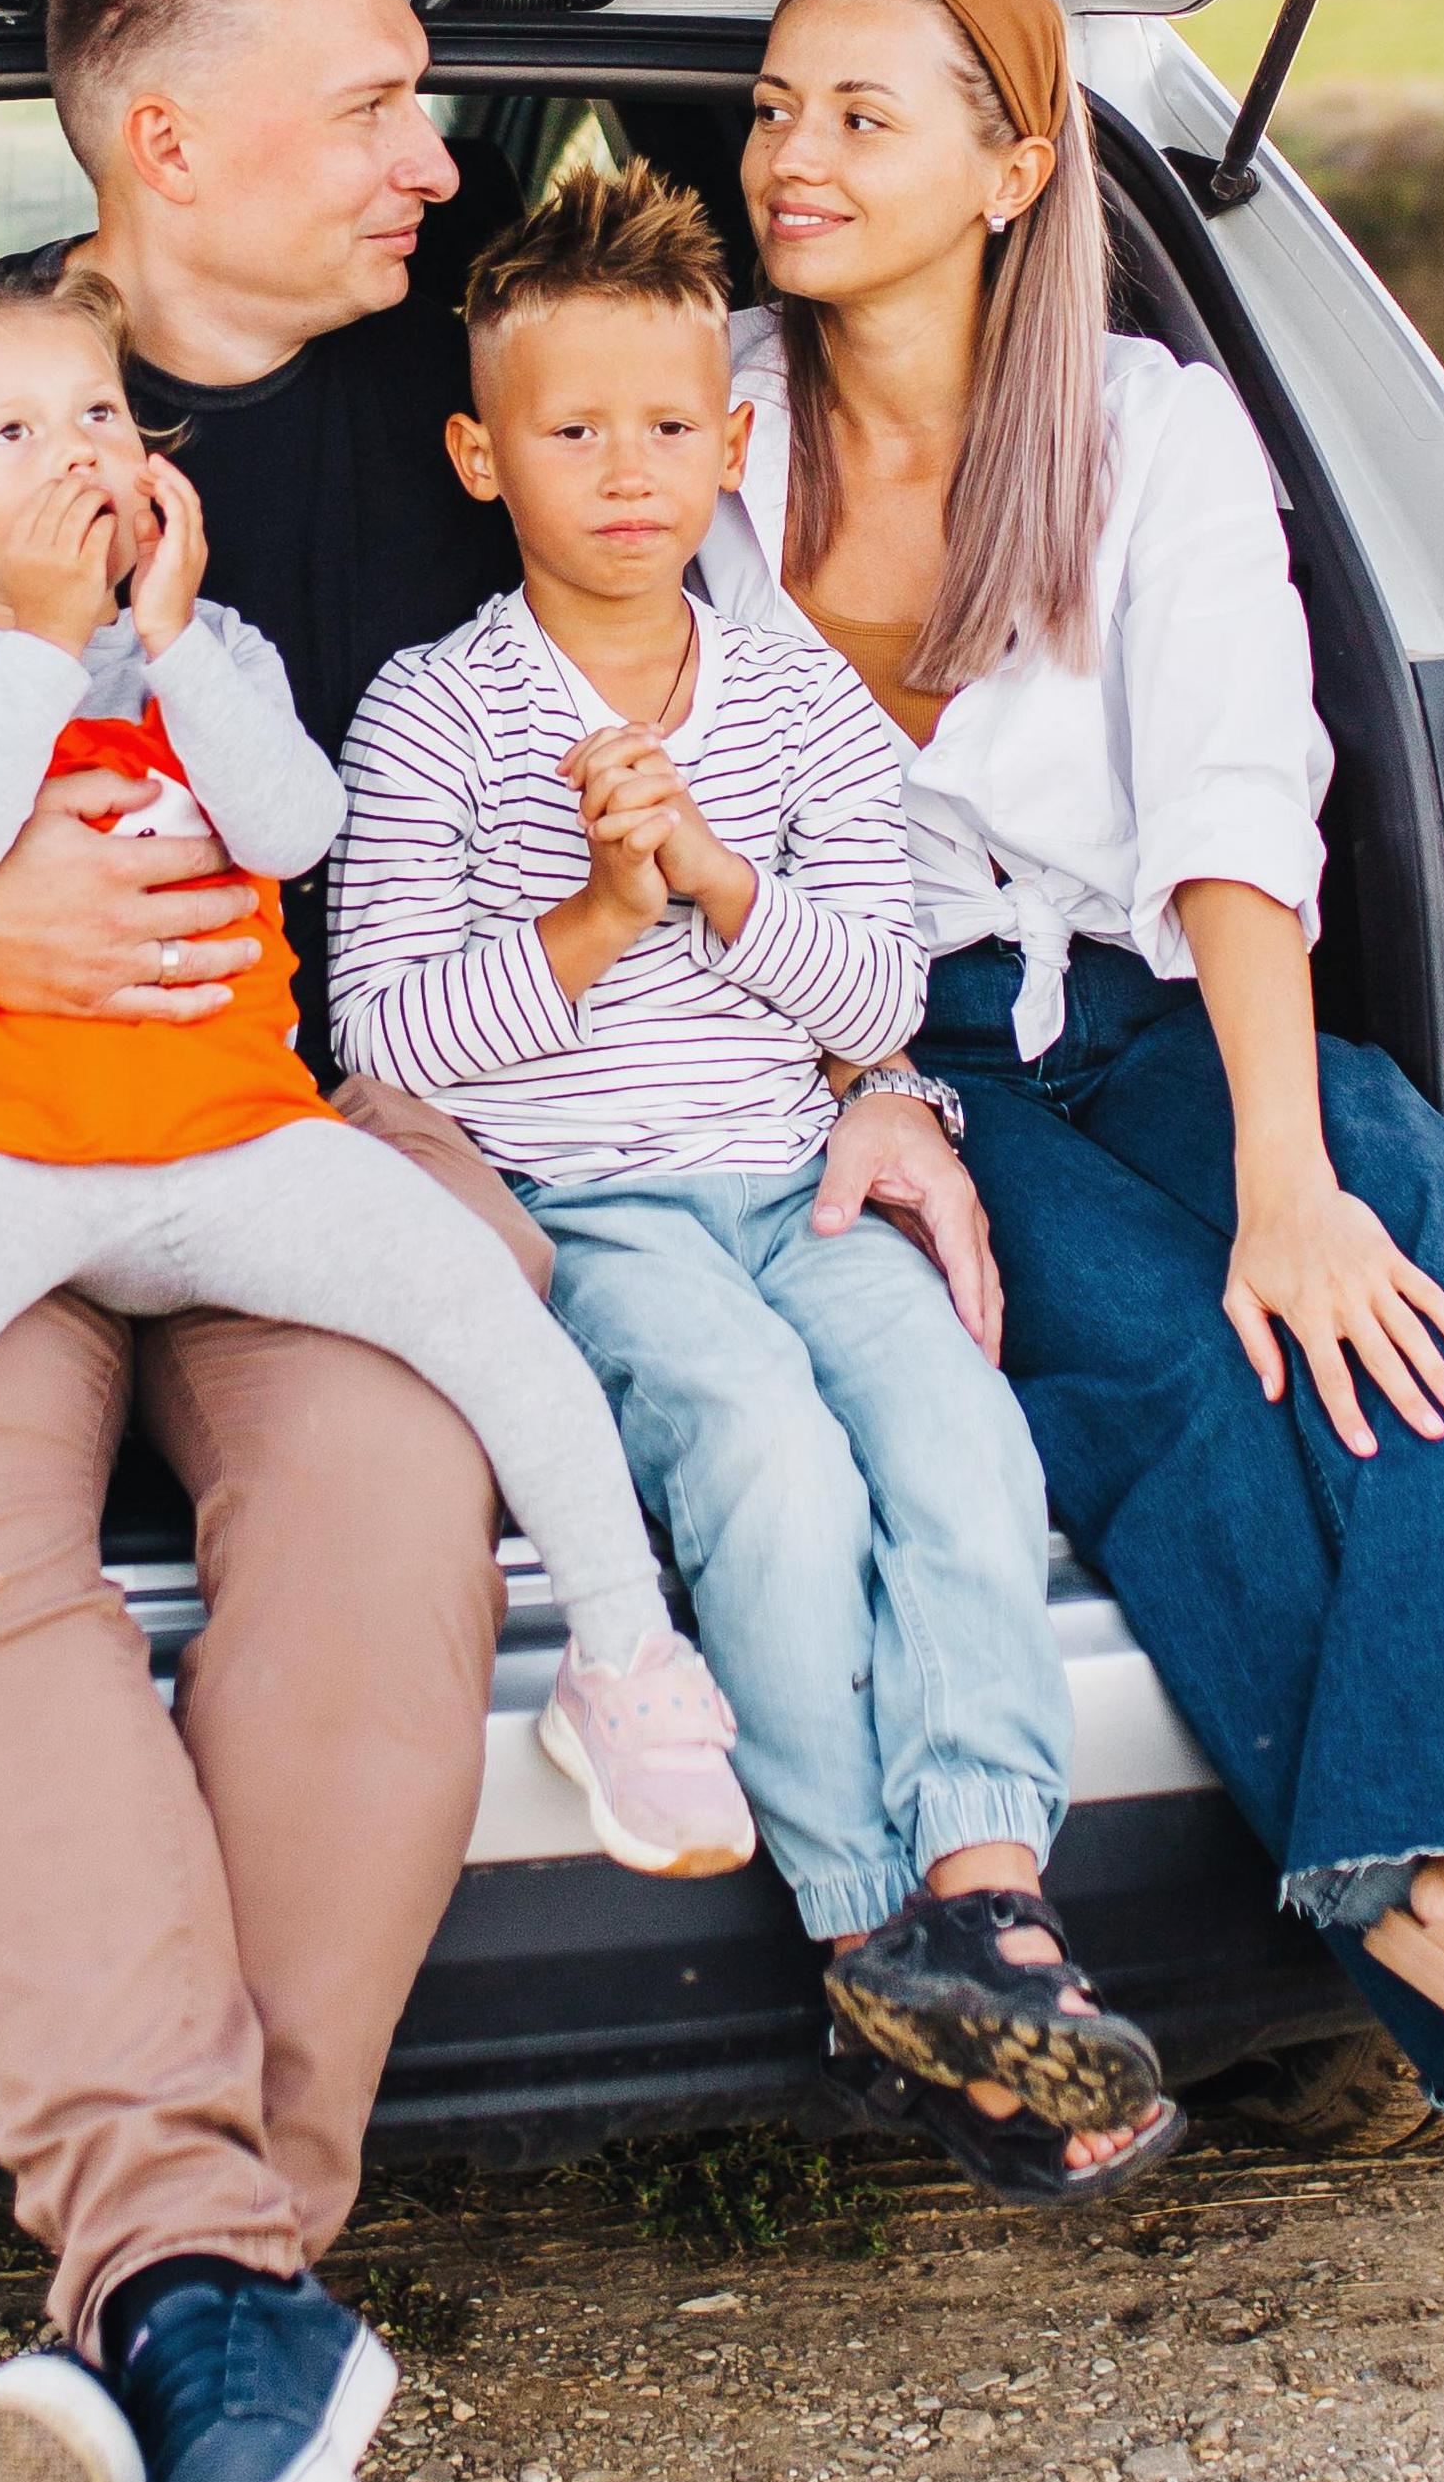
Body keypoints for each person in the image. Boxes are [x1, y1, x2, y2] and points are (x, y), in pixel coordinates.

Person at [0, 0, 991, 2482]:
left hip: (301, 1118)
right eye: (376, 104)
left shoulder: (468, 414)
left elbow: (749, 757)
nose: (431, 156)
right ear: (164, 140)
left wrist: (873, 1070)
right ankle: (209, 2280)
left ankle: (198, 2301)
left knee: (384, 1522)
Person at [695, 0, 1444, 2291]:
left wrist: (1288, 1173)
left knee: (1381, 1225)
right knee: (1163, 1364)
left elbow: (1232, 803)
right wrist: (853, 1074)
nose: (791, 154)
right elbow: (690, 792)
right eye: (778, 106)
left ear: (1013, 168)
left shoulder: (1148, 425)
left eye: (860, 115)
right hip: (868, 1039)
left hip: (1146, 990)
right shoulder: (707, 422)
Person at [0, 253, 749, 1963]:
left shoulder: (216, 651)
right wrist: (42, 649)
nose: (75, 450)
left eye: (96, 413)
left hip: (232, 1144)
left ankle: (626, 1658)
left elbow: (295, 828)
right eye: (11, 434)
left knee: (496, 1326)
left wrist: (168, 645)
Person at [328, 162, 1179, 2201]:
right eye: (568, 431)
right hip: (594, 1214)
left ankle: (994, 1906)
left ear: (731, 444)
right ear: (478, 458)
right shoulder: (433, 714)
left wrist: (712, 876)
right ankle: (869, 1941)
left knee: (960, 1450)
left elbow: (879, 993)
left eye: (662, 427)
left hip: (803, 1183)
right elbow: (381, 1046)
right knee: (770, 1470)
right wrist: (592, 922)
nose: (624, 472)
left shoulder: (797, 697)